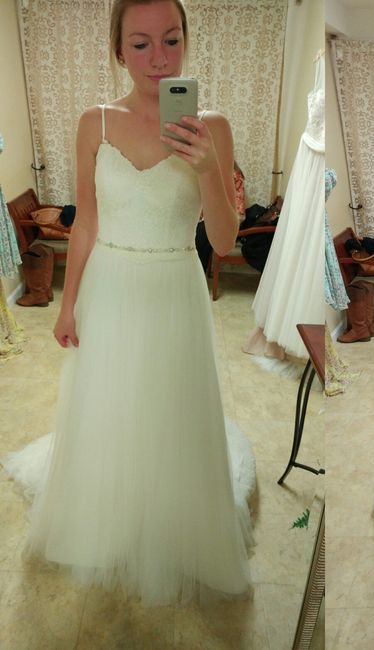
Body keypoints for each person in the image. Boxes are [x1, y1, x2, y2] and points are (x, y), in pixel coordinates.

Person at [1, 0, 254, 606]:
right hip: (110, 285)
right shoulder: (95, 123)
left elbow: (224, 241)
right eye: (141, 44)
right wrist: (67, 305)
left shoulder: (213, 127)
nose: (159, 58)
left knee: (169, 404)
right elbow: (86, 222)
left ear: (186, 39)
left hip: (175, 288)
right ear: (119, 49)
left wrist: (210, 169)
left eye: (171, 39)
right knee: (111, 403)